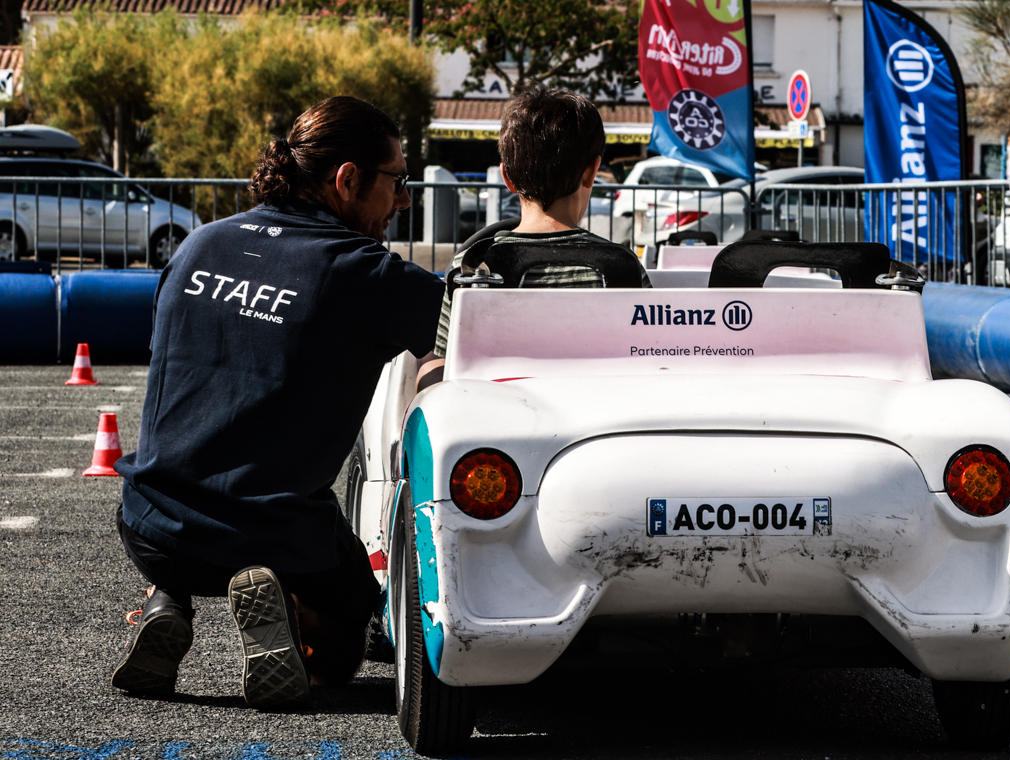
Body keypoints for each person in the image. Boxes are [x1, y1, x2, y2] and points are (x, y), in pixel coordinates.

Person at [110, 96, 444, 709]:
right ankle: (284, 619)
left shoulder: (198, 245)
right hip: (272, 532)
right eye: (397, 181)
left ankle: (167, 600)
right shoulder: (363, 272)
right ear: (346, 179)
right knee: (348, 649)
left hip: (149, 524)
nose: (402, 201)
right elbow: (478, 329)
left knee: (201, 477)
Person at [425, 86, 650, 377]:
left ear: (507, 177)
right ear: (592, 172)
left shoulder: (472, 266)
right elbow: (648, 364)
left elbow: (445, 366)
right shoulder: (623, 267)